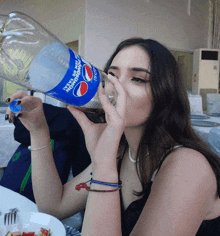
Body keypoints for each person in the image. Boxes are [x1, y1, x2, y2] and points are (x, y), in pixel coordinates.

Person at [5, 37, 220, 235]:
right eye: (112, 76)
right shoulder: (122, 151)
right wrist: (39, 130)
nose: (116, 88)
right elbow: (54, 206)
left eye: (137, 79)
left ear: (165, 93)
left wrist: (104, 168)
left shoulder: (188, 166)